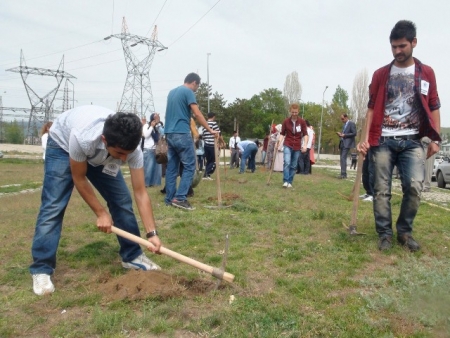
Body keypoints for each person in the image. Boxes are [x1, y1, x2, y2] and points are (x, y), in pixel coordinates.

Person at [30, 106, 162, 296]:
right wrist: (100, 212)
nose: (125, 159)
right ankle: (41, 269)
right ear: (104, 140)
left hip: (101, 154)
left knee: (122, 200)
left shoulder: (130, 148)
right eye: (120, 153)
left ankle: (132, 255)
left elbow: (140, 192)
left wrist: (152, 234)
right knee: (53, 206)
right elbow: (79, 178)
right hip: (63, 145)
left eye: (129, 153)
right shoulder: (83, 137)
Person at [357, 20, 441, 252]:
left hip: (413, 141)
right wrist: (365, 139)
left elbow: (434, 106)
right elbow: (372, 108)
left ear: (414, 42)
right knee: (380, 189)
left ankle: (404, 231)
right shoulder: (381, 74)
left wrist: (435, 139)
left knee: (414, 186)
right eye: (393, 47)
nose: (397, 51)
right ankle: (384, 234)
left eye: (402, 46)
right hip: (383, 140)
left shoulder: (427, 73)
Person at [164, 73, 218, 211]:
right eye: (197, 87)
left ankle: (169, 198)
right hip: (181, 133)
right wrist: (210, 130)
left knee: (172, 168)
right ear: (194, 82)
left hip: (169, 133)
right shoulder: (188, 92)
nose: (196, 90)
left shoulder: (172, 92)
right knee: (190, 166)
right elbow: (197, 114)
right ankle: (180, 198)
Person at [279, 103, 308, 188]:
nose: (294, 114)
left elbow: (305, 134)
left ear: (298, 112)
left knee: (294, 165)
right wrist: (279, 142)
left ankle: (290, 182)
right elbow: (282, 133)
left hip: (297, 146)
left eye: (295, 112)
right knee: (287, 162)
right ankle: (285, 181)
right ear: (290, 111)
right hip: (288, 143)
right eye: (292, 112)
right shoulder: (286, 121)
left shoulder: (302, 122)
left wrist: (305, 145)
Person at [142, 113, 164, 187]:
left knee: (157, 168)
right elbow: (146, 135)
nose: (156, 120)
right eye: (155, 118)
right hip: (148, 149)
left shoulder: (158, 127)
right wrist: (151, 126)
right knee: (148, 167)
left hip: (157, 149)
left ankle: (156, 183)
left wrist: (158, 126)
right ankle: (146, 183)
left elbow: (163, 134)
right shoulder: (146, 126)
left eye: (158, 118)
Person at [202, 112, 223, 180]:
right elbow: (218, 134)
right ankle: (208, 174)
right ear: (213, 117)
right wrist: (222, 142)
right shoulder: (213, 123)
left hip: (206, 144)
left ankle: (206, 175)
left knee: (208, 160)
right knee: (213, 160)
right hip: (211, 144)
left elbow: (203, 135)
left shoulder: (204, 124)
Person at [336, 114, 356, 179]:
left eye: (343, 119)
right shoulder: (344, 125)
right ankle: (342, 173)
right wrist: (340, 134)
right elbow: (343, 134)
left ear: (346, 117)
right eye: (341, 119)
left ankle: (343, 174)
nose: (342, 120)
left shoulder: (351, 124)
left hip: (347, 143)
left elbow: (354, 133)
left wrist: (345, 135)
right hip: (342, 142)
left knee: (343, 158)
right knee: (342, 159)